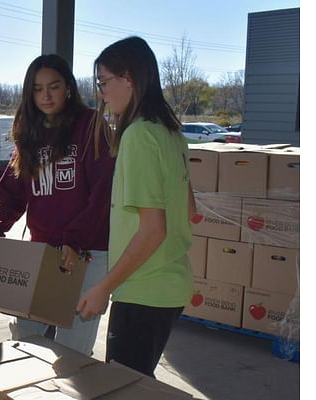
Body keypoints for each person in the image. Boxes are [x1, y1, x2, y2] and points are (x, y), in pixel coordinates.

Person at [76, 36, 196, 377]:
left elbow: (153, 229)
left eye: (103, 82)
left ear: (128, 78)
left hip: (144, 290)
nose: (101, 93)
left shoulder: (138, 136)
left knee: (122, 386)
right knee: (138, 383)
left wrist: (103, 287)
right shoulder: (171, 132)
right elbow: (189, 208)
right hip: (171, 284)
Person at [0, 54, 115, 355]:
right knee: (25, 345)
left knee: (71, 354)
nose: (45, 95)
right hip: (42, 253)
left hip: (86, 253)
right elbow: (13, 190)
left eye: (53, 87)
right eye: (37, 88)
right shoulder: (29, 130)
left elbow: (102, 192)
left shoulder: (90, 125)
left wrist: (74, 240)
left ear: (68, 88)